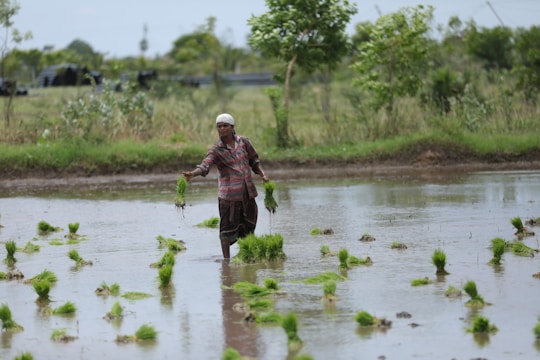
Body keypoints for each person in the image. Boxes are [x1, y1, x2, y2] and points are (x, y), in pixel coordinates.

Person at [182, 113, 269, 259]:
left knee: (249, 226)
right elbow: (206, 165)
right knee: (226, 230)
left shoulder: (244, 142)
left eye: (225, 126)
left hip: (247, 194)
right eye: (219, 126)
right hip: (229, 197)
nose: (222, 129)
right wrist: (193, 173)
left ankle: (247, 257)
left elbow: (254, 160)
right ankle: (226, 261)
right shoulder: (216, 149)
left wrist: (262, 174)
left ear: (232, 127)